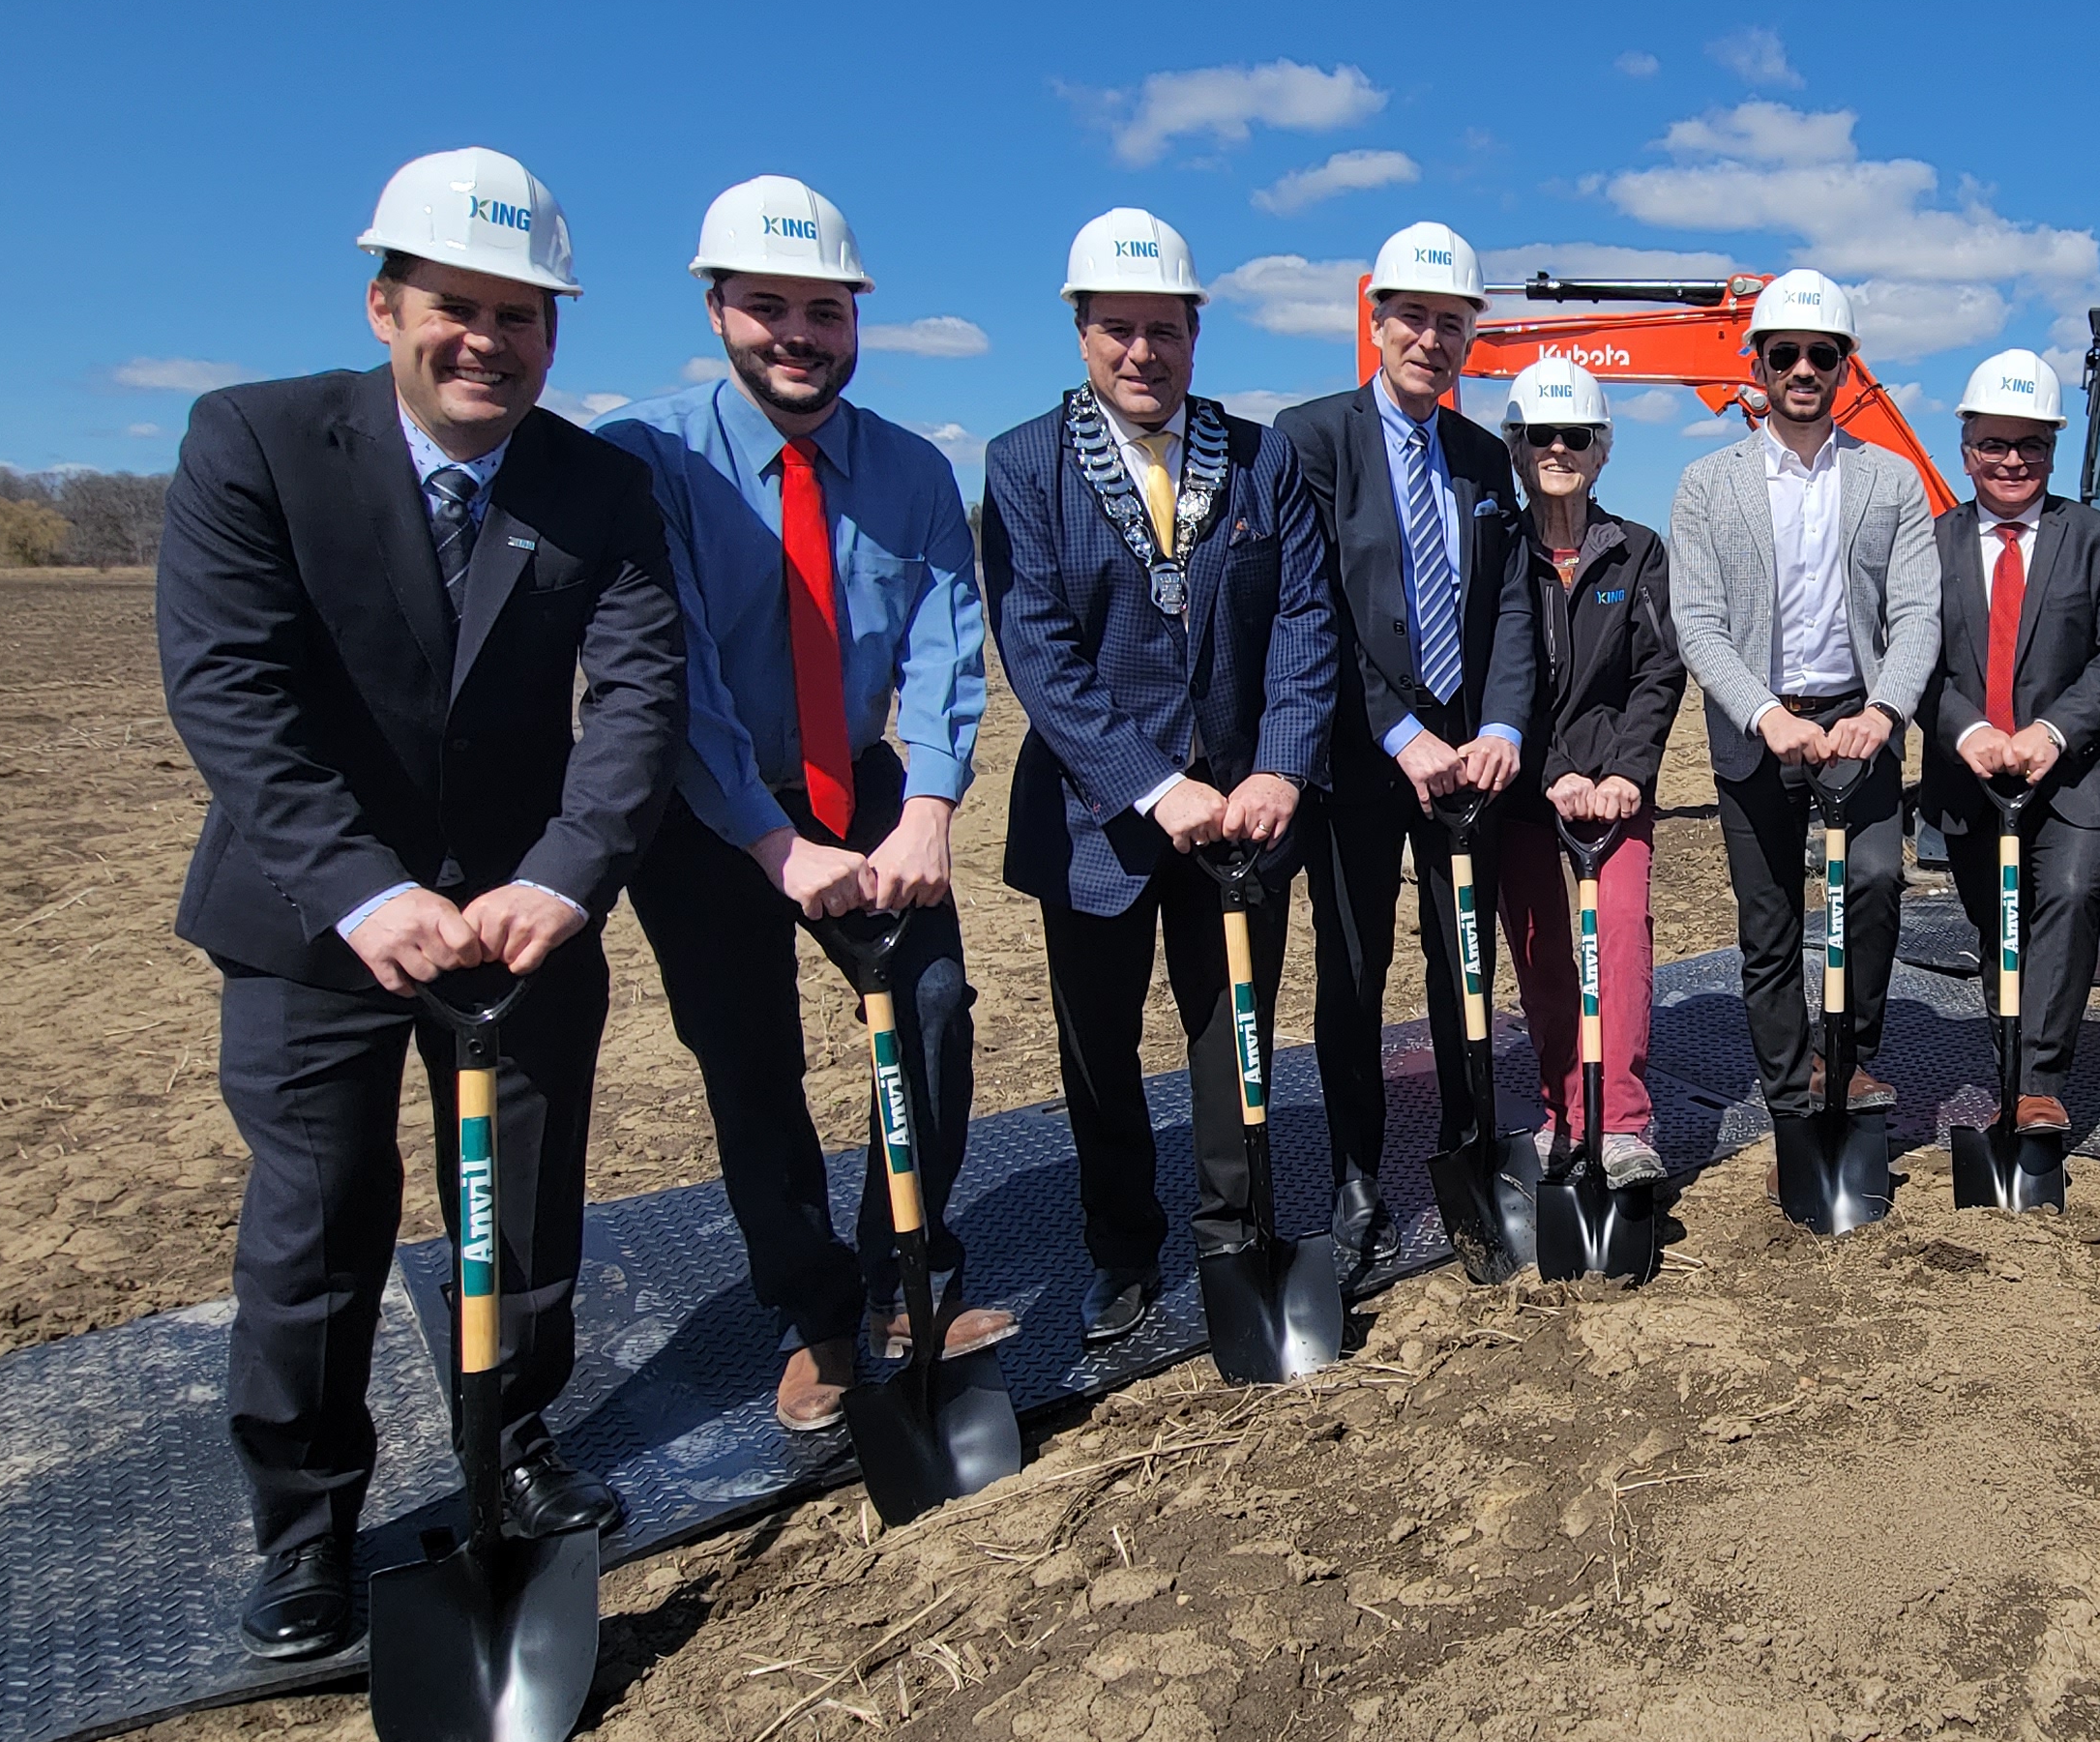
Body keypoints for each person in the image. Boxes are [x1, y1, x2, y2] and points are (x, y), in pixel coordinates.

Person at [156, 150, 683, 1661]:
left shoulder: (600, 487)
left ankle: (511, 1438)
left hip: (523, 922)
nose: (490, 342)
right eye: (459, 306)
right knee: (317, 1222)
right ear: (386, 303)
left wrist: (567, 876)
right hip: (308, 925)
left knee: (517, 1208)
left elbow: (640, 700)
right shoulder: (256, 442)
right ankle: (308, 1524)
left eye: (524, 316)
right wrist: (359, 889)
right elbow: (232, 690)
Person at [602, 178, 995, 1438]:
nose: (797, 334)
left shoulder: (912, 471)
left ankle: (905, 1281)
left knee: (930, 1013)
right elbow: (672, 674)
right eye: (765, 306)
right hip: (704, 807)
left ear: (856, 317)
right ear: (716, 309)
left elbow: (944, 645)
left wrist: (927, 803)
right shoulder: (647, 461)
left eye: (822, 309)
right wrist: (773, 845)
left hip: (863, 783)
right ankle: (817, 1312)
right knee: (749, 1055)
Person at [981, 209, 1339, 1340]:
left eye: (1164, 331)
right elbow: (1036, 648)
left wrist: (1280, 763)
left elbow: (1304, 621)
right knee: (1101, 1051)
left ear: (1196, 332)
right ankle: (1122, 1250)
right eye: (1118, 330)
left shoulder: (1259, 453)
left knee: (1229, 1033)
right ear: (1082, 333)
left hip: (1244, 813)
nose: (1143, 353)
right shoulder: (1023, 465)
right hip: (1100, 823)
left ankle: (1233, 1234)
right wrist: (1149, 782)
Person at [1271, 222, 1541, 1269]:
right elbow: (1314, 607)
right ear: (1376, 321)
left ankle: (1466, 1150)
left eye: (1453, 324)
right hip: (1358, 761)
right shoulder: (1311, 439)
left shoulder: (1482, 457)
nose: (1432, 338)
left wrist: (1502, 725)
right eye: (1415, 318)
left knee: (1463, 967)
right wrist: (1398, 730)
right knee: (1352, 971)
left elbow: (1510, 606)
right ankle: (1355, 1171)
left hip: (1466, 768)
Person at [1668, 268, 1943, 1122]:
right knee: (1770, 919)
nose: (1800, 368)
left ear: (1843, 365)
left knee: (1871, 884)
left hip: (1858, 720)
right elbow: (1699, 620)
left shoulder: (1891, 481)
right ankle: (1791, 1085)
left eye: (1820, 354)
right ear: (1757, 363)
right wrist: (1766, 712)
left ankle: (1847, 1055)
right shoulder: (1706, 486)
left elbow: (1918, 613)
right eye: (1783, 352)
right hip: (1758, 728)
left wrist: (1882, 713)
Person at [1919, 345, 2100, 1129]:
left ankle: (2040, 1082)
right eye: (1994, 444)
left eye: (2032, 445)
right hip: (1972, 770)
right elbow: (1913, 660)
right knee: (1998, 922)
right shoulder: (1932, 545)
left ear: (2054, 447)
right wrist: (1968, 730)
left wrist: (2054, 730)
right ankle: (2013, 1063)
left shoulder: (2096, 537)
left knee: (2072, 898)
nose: (2012, 461)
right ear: (1967, 448)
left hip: (2075, 769)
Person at [1489, 355, 1685, 1184]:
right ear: (1517, 445)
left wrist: (1627, 771)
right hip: (1529, 795)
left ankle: (1623, 1125)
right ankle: (1563, 1112)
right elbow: (1498, 679)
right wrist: (1548, 774)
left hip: (1615, 792)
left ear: (1603, 450)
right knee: (1543, 959)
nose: (1559, 448)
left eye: (1577, 435)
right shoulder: (1496, 554)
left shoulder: (1635, 552)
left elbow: (1658, 671)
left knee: (1622, 943)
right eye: (1542, 434)